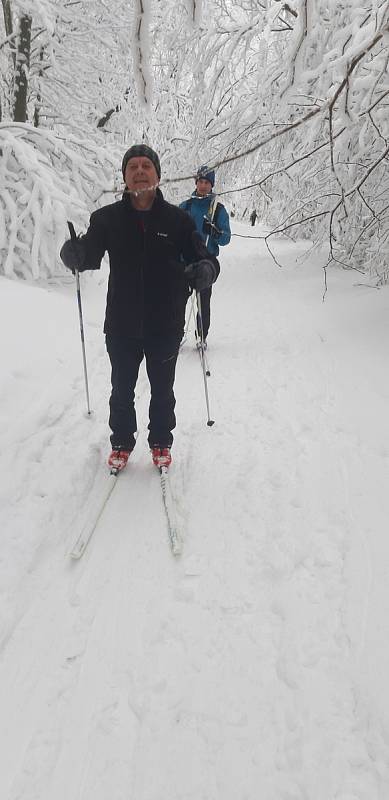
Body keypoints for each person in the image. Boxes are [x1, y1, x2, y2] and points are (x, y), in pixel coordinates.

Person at [60, 145, 219, 471]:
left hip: (166, 320)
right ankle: (121, 441)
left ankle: (161, 441)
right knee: (121, 388)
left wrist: (205, 271)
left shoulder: (178, 220)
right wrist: (72, 253)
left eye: (147, 165)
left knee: (163, 389)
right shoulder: (106, 219)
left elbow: (205, 259)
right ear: (124, 177)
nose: (140, 170)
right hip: (121, 322)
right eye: (132, 166)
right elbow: (88, 254)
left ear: (158, 176)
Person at [180, 165, 230, 345]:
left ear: (212, 185)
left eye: (207, 182)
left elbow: (226, 238)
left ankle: (202, 336)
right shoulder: (185, 206)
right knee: (177, 300)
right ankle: (176, 334)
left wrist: (215, 232)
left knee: (203, 301)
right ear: (196, 183)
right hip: (184, 259)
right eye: (200, 181)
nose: (203, 186)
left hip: (206, 261)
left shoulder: (218, 209)